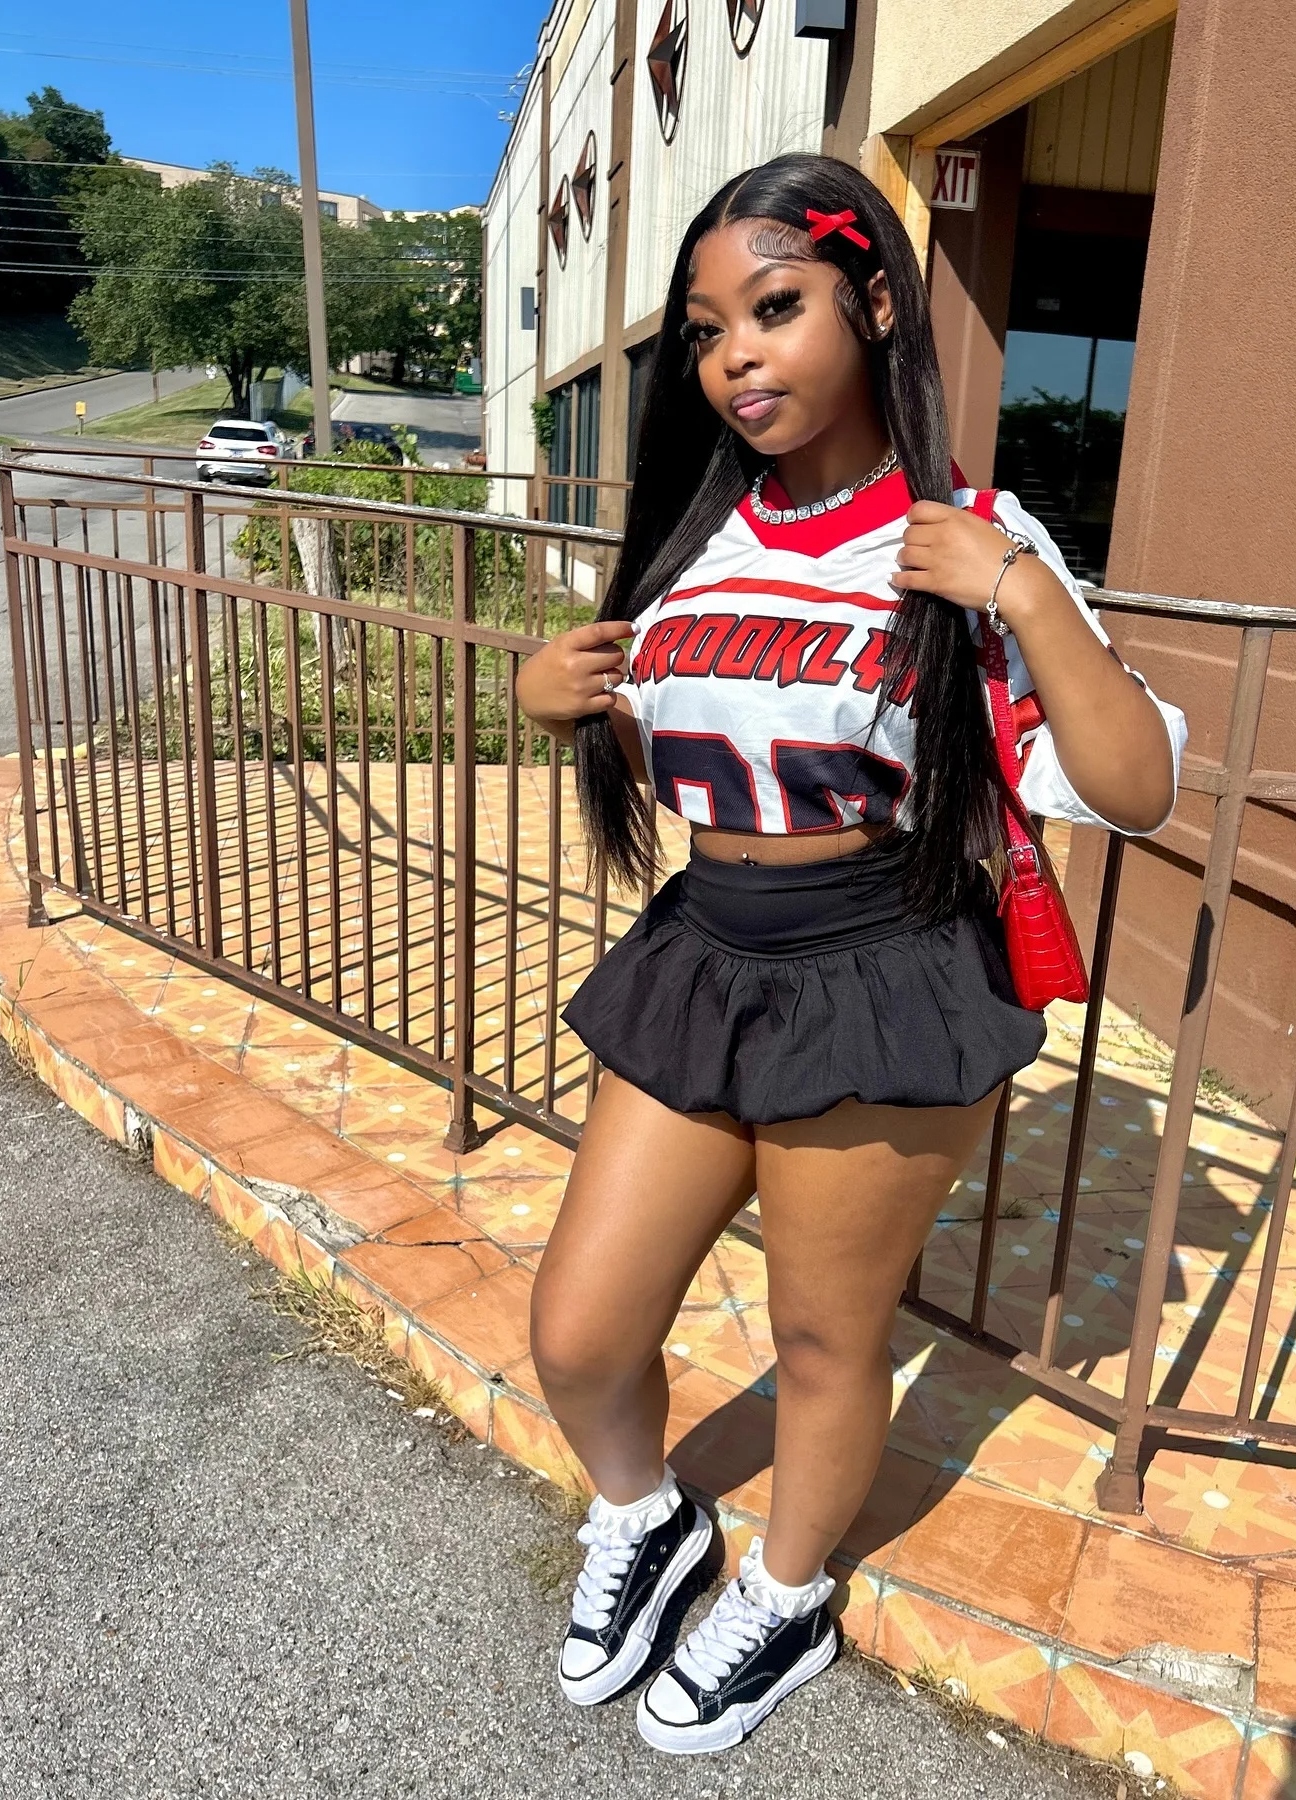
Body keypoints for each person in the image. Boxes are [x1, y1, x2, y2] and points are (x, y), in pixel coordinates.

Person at [513, 152, 1186, 1756]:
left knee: (823, 1339)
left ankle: (788, 1591)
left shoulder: (968, 535)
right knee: (580, 1329)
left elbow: (1137, 786)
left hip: (882, 965)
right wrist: (556, 701)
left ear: (874, 302)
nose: (735, 357)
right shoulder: (697, 533)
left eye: (775, 308)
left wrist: (1023, 592)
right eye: (706, 331)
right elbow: (695, 737)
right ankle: (646, 1515)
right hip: (704, 947)